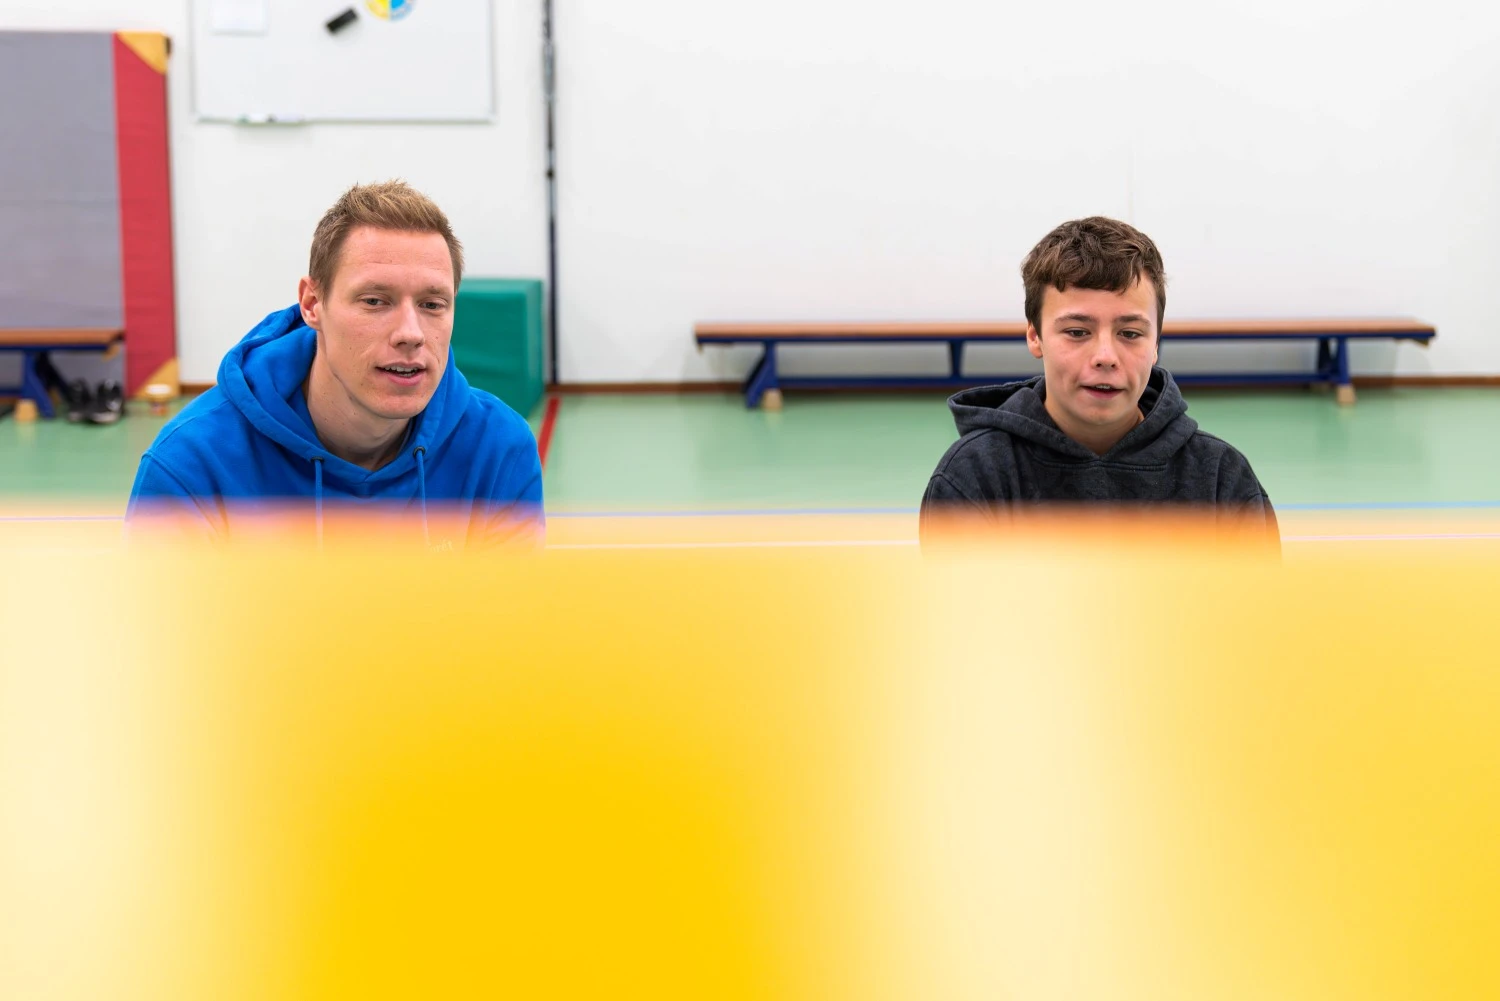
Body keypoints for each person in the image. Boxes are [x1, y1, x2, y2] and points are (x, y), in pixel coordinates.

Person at [127, 180, 542, 549]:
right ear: (312, 304)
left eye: (432, 305)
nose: (411, 333)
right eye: (375, 301)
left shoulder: (498, 449)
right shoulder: (192, 463)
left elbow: (510, 612)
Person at [920, 216, 1277, 545]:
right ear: (1035, 336)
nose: (1105, 356)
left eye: (1130, 333)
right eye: (1077, 332)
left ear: (1156, 344)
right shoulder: (975, 475)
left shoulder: (1221, 478)